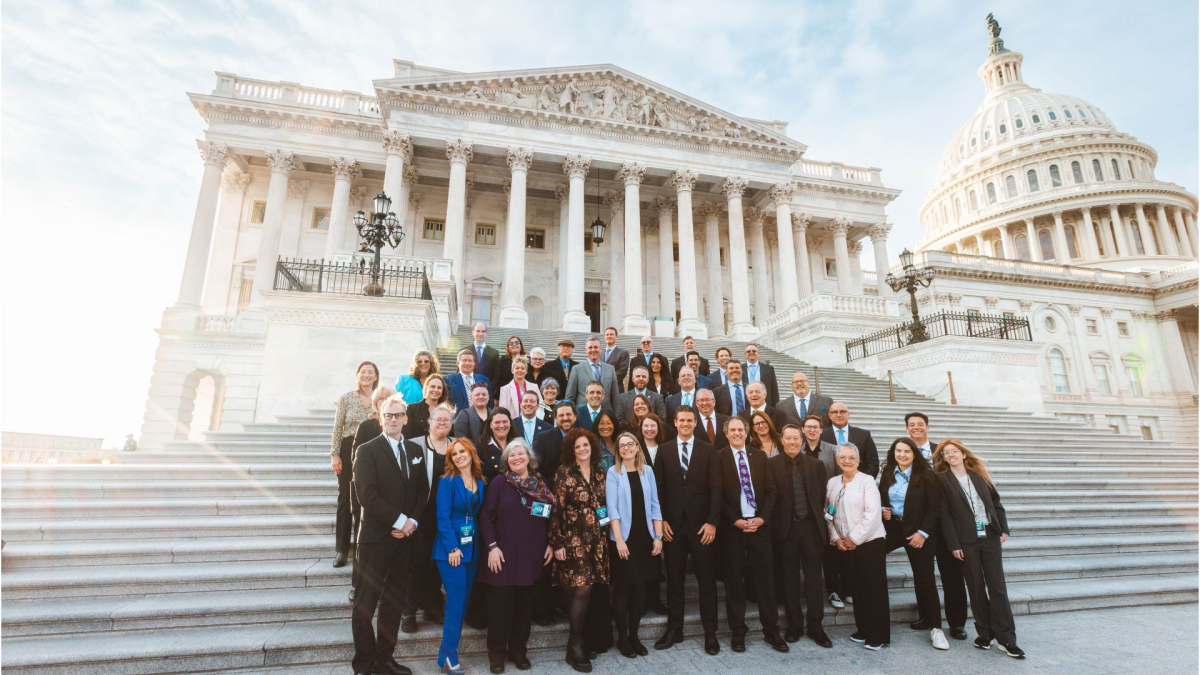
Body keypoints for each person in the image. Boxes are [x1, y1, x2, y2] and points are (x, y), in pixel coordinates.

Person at [350, 394, 427, 675]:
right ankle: (363, 664)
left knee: (393, 602)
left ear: (406, 419)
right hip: (375, 539)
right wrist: (400, 520)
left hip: (404, 539)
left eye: (398, 415)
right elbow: (365, 495)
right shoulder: (367, 450)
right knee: (365, 605)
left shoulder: (416, 452)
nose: (393, 420)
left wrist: (412, 523)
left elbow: (422, 492)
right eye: (388, 415)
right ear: (380, 419)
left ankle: (385, 659)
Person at [934, 439, 1024, 659]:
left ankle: (1007, 639)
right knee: (975, 587)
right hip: (965, 542)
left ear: (963, 454)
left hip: (990, 536)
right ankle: (984, 634)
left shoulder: (979, 475)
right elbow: (944, 515)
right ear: (943, 458)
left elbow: (996, 502)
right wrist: (953, 544)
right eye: (946, 453)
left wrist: (1004, 528)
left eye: (954, 451)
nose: (951, 455)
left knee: (997, 587)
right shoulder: (942, 480)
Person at [479, 440, 555, 673]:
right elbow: (485, 517)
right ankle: (497, 654)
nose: (516, 458)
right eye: (511, 456)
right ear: (506, 461)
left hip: (532, 556)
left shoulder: (540, 482)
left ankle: (518, 651)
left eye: (520, 454)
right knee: (500, 609)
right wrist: (492, 547)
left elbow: (551, 514)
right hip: (502, 557)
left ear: (529, 457)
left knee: (524, 609)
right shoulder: (500, 483)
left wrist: (551, 543)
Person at [653, 405, 722, 656]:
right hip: (673, 527)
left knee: (706, 582)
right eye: (681, 420)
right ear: (675, 422)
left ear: (695, 423)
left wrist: (712, 522)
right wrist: (661, 521)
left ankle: (710, 632)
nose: (685, 423)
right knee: (674, 581)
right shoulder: (664, 449)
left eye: (689, 420)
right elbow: (658, 490)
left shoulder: (708, 450)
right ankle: (675, 629)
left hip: (702, 527)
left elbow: (717, 489)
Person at [715, 417, 787, 653]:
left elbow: (772, 492)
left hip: (759, 527)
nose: (737, 433)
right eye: (732, 430)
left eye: (740, 429)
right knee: (734, 582)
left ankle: (771, 631)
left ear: (747, 432)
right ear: (726, 434)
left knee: (765, 581)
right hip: (733, 529)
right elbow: (717, 495)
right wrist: (734, 520)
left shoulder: (759, 456)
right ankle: (738, 631)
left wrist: (762, 518)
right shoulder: (719, 457)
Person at [549, 428, 611, 673]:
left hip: (598, 540)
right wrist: (558, 543)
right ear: (571, 450)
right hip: (574, 540)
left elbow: (603, 506)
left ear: (592, 447)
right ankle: (574, 643)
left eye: (586, 445)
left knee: (591, 587)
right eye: (578, 447)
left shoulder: (600, 472)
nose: (582, 450)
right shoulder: (564, 473)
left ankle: (581, 640)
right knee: (582, 587)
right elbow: (556, 510)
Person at [880, 437, 949, 650]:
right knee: (871, 555)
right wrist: (884, 509)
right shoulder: (888, 473)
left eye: (906, 452)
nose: (902, 455)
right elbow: (882, 498)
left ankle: (935, 627)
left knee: (924, 578)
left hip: (918, 532)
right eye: (898, 451)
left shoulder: (927, 475)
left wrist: (923, 533)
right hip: (894, 528)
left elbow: (934, 509)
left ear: (914, 454)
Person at [770, 422, 832, 648]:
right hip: (786, 530)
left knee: (814, 579)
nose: (792, 442)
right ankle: (794, 625)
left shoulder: (816, 465)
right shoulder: (772, 465)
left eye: (796, 438)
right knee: (790, 579)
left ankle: (816, 626)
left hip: (811, 529)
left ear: (802, 440)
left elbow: (825, 497)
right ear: (782, 441)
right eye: (788, 438)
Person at [906, 411, 968, 640]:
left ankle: (957, 623)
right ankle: (927, 617)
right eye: (912, 425)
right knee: (923, 575)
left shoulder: (941, 452)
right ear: (907, 429)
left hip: (945, 524)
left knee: (952, 575)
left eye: (920, 424)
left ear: (927, 427)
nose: (916, 428)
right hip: (918, 524)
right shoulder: (904, 452)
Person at [825, 442, 889, 651]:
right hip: (845, 545)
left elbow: (872, 515)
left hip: (869, 543)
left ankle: (877, 635)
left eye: (852, 457)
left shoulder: (867, 481)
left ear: (859, 460)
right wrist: (836, 539)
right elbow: (827, 513)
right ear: (837, 460)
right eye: (843, 457)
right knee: (857, 590)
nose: (847, 461)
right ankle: (863, 630)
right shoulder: (833, 482)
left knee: (873, 590)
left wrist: (853, 538)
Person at [607, 431, 664, 658]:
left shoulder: (647, 471)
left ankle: (634, 637)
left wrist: (658, 537)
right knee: (623, 588)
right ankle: (622, 638)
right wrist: (619, 540)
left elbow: (655, 505)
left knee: (640, 588)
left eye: (630, 444)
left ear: (638, 447)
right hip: (624, 539)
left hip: (645, 537)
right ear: (618, 450)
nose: (627, 448)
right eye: (622, 446)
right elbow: (612, 509)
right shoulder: (613, 473)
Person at [433, 438, 486, 674]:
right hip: (450, 551)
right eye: (454, 454)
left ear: (471, 453)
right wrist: (453, 548)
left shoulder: (481, 482)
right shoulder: (447, 482)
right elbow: (442, 518)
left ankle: (445, 652)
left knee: (462, 602)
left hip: (471, 549)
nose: (458, 456)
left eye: (462, 451)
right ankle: (449, 655)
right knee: (455, 601)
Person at [402, 403, 453, 631]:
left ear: (452, 424)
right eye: (438, 419)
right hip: (421, 514)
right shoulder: (415, 445)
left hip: (447, 516)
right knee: (417, 562)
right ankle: (408, 612)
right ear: (430, 423)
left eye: (446, 420)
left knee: (437, 564)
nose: (442, 423)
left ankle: (433, 607)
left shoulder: (457, 446)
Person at [530, 402, 577, 624]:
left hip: (575, 508)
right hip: (549, 506)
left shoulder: (581, 436)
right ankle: (542, 609)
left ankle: (561, 604)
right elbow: (536, 472)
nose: (565, 418)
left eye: (569, 414)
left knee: (567, 557)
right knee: (547, 558)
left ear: (575, 416)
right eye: (561, 415)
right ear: (555, 417)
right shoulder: (545, 437)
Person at [351, 385, 398, 603]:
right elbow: (357, 460)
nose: (385, 402)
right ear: (376, 403)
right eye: (382, 399)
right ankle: (358, 584)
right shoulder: (367, 426)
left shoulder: (398, 427)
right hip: (370, 494)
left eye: (390, 399)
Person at [333, 361, 380, 569]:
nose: (366, 375)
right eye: (363, 372)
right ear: (357, 375)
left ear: (376, 376)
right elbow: (337, 427)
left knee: (366, 498)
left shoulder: (380, 399)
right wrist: (335, 454)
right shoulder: (346, 398)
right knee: (345, 499)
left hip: (373, 452)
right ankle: (342, 550)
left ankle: (364, 545)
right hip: (347, 448)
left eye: (371, 372)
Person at [821, 402, 879, 477]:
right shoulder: (821, 435)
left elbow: (873, 463)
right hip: (829, 484)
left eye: (842, 412)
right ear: (829, 415)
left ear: (848, 414)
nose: (839, 415)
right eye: (835, 412)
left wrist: (863, 481)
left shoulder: (864, 435)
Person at [564, 336, 619, 413]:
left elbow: (615, 397)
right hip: (583, 415)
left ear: (601, 349)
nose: (593, 350)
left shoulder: (610, 369)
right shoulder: (577, 369)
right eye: (590, 347)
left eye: (596, 347)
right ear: (586, 350)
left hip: (605, 416)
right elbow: (570, 397)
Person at [403, 374, 448, 440]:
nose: (436, 390)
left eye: (439, 388)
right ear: (426, 388)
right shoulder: (412, 409)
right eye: (432, 386)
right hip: (416, 448)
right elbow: (407, 435)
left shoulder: (446, 412)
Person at [476, 407, 513, 483]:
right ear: (490, 425)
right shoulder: (479, 447)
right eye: (497, 422)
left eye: (505, 421)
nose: (501, 425)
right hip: (491, 491)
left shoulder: (518, 444)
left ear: (510, 423)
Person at [602, 327, 630, 392]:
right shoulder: (600, 354)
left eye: (611, 334)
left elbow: (622, 372)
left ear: (616, 337)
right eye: (607, 334)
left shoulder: (623, 353)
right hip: (600, 390)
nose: (609, 336)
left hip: (616, 389)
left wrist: (606, 382)